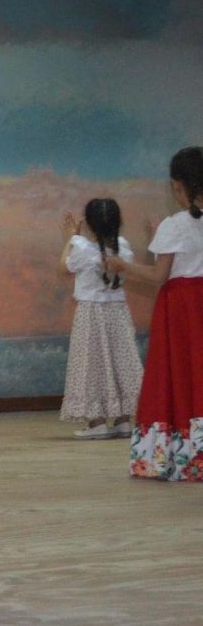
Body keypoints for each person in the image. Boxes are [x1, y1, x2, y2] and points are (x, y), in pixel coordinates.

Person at [107, 147, 203, 481]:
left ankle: (172, 458)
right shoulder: (176, 226)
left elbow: (158, 276)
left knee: (176, 375)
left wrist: (121, 265)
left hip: (181, 308)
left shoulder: (175, 225)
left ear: (179, 186)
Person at [58, 199, 143, 440]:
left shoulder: (81, 248)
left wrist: (70, 238)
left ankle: (96, 422)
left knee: (91, 363)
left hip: (91, 313)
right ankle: (124, 419)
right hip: (118, 312)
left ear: (89, 225)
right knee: (120, 360)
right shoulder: (124, 247)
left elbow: (62, 268)